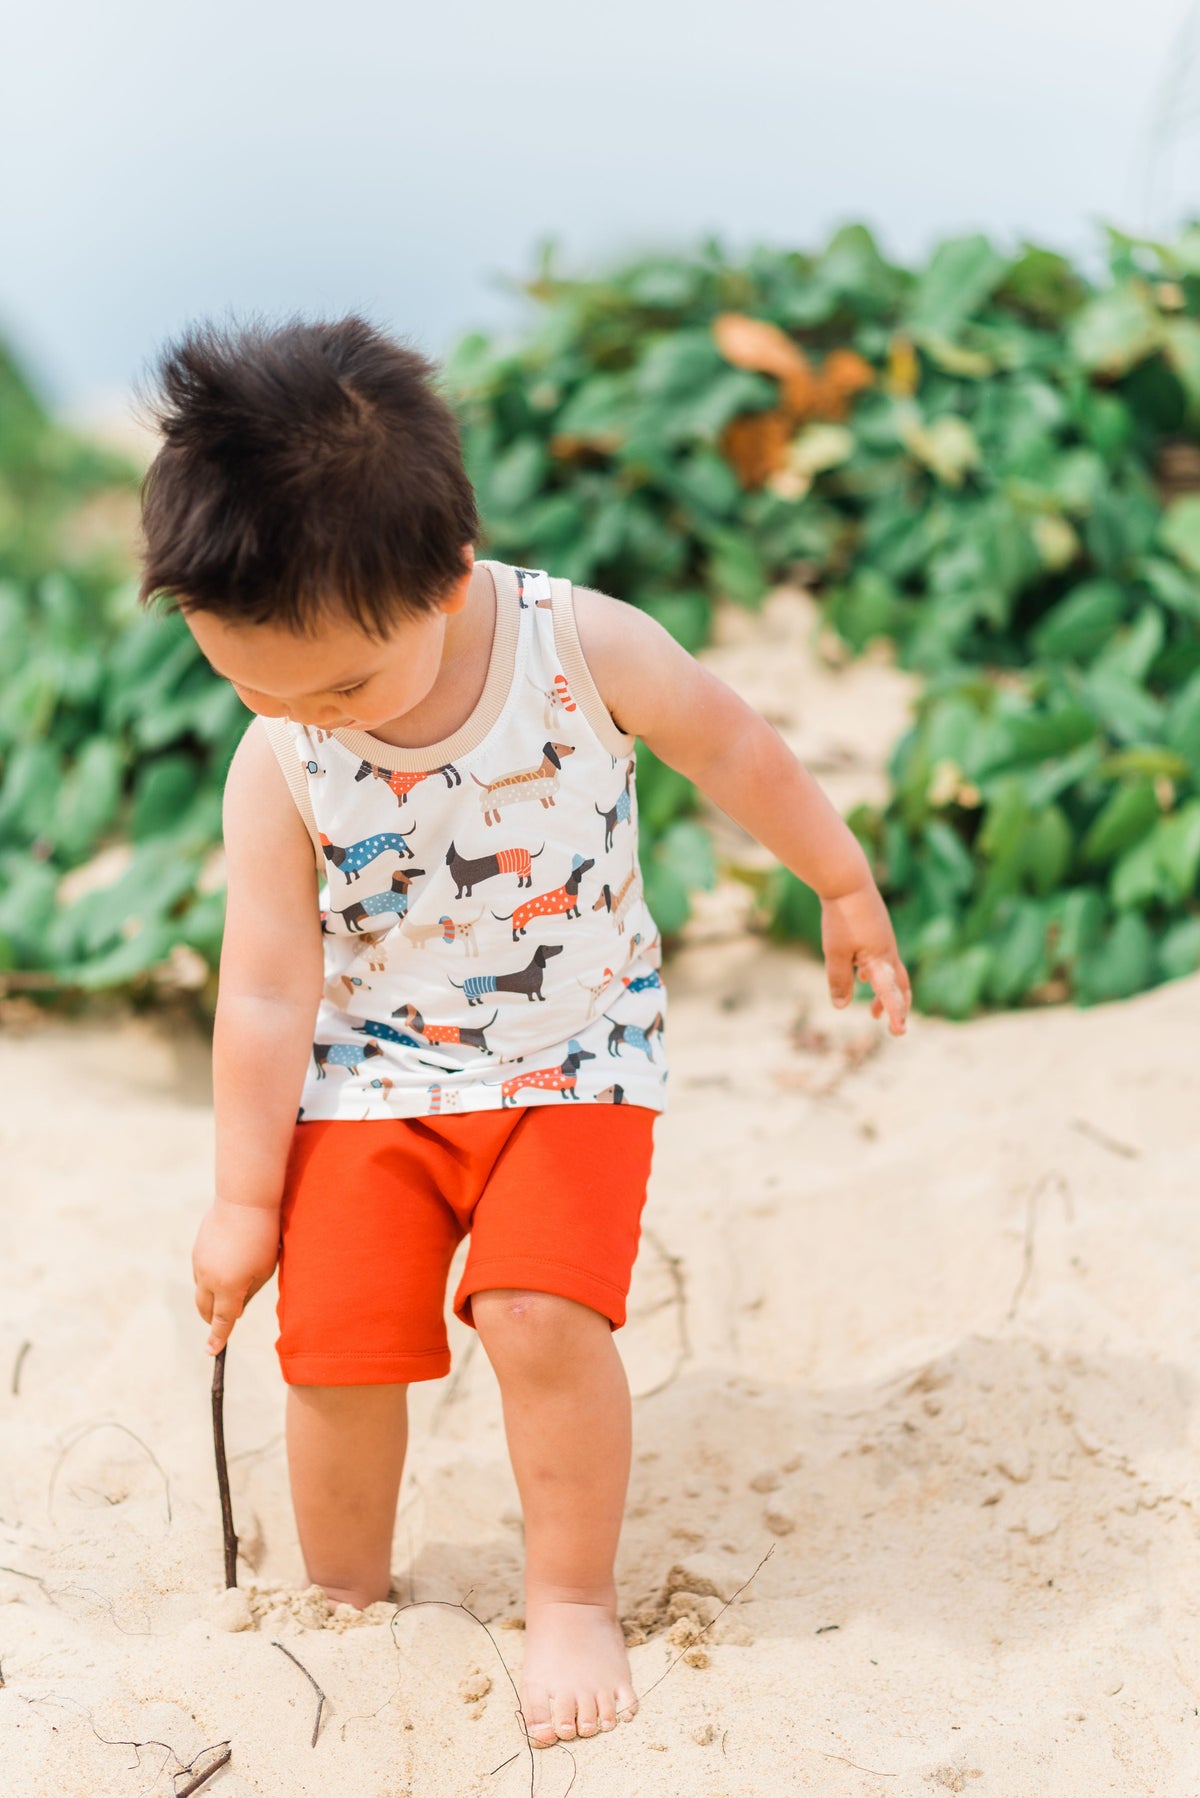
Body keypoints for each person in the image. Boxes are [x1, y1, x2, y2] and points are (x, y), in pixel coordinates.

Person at [135, 314, 910, 1750]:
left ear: (441, 579)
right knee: (336, 1348)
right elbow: (263, 985)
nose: (307, 717)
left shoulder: (577, 644)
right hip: (376, 1083)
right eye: (247, 679)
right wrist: (247, 1197)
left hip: (575, 1061)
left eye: (340, 686)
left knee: (536, 1314)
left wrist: (841, 876)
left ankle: (570, 1593)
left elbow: (731, 741)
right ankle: (346, 1595)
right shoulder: (281, 754)